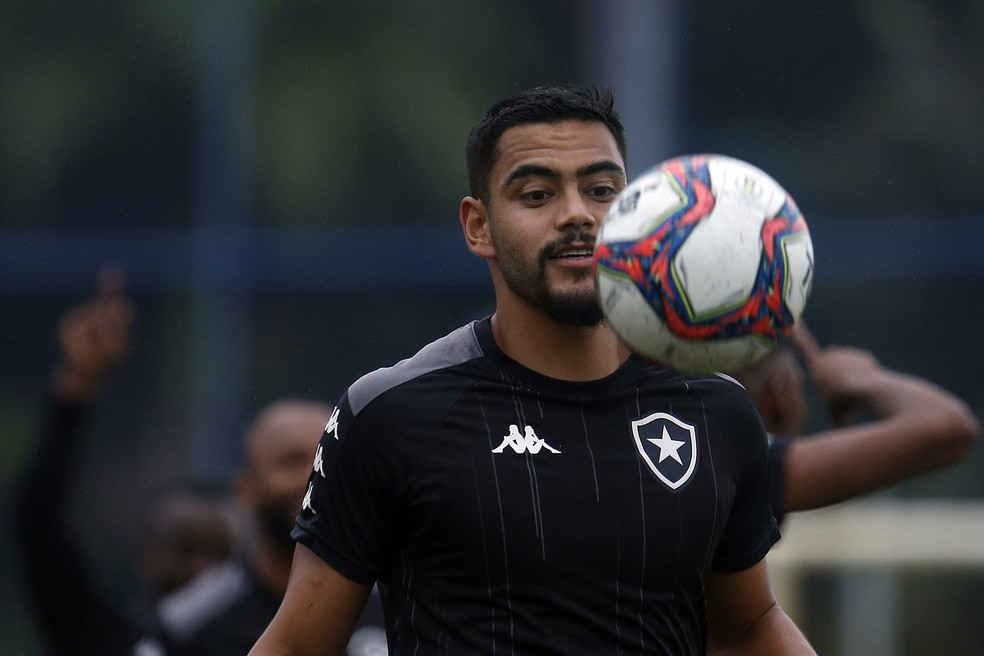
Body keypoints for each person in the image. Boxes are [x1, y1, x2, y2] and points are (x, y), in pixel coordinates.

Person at [250, 85, 814, 655]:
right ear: (479, 227)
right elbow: (299, 645)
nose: (577, 215)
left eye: (602, 190)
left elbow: (748, 625)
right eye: (537, 194)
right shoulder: (393, 413)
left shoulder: (716, 410)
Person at [11, 269, 238, 656]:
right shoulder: (106, 639)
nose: (202, 571)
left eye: (221, 556)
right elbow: (38, 521)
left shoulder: (270, 642)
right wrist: (75, 386)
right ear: (144, 558)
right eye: (182, 550)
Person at [164, 399, 387, 656]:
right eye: (292, 461)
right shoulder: (189, 626)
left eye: (328, 458)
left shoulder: (397, 600)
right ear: (246, 490)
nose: (314, 475)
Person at [736, 323, 980, 525]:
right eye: (799, 388)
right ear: (779, 397)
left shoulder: (705, 444)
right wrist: (862, 378)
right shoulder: (748, 469)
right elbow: (949, 428)